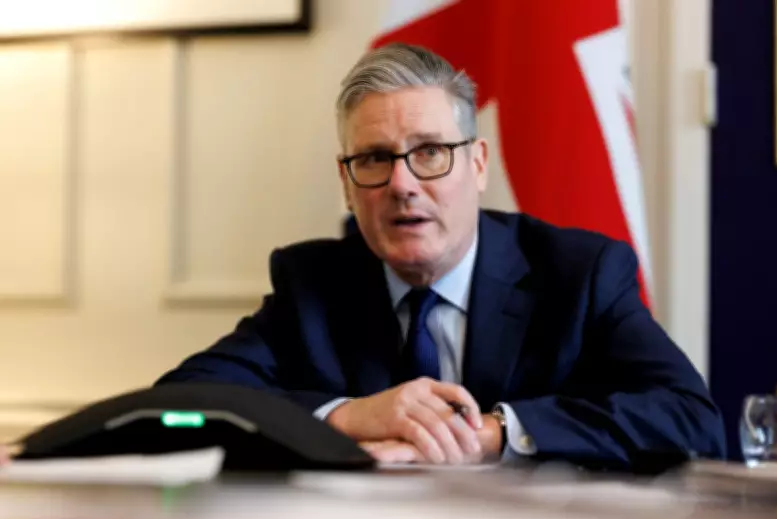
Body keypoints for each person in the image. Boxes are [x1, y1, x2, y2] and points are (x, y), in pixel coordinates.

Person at [157, 43, 726, 470]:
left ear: (477, 165)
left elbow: (691, 420)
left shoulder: (579, 274)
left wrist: (492, 434)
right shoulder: (313, 282)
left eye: (429, 152)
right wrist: (350, 415)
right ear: (347, 184)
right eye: (375, 158)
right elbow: (175, 408)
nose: (402, 184)